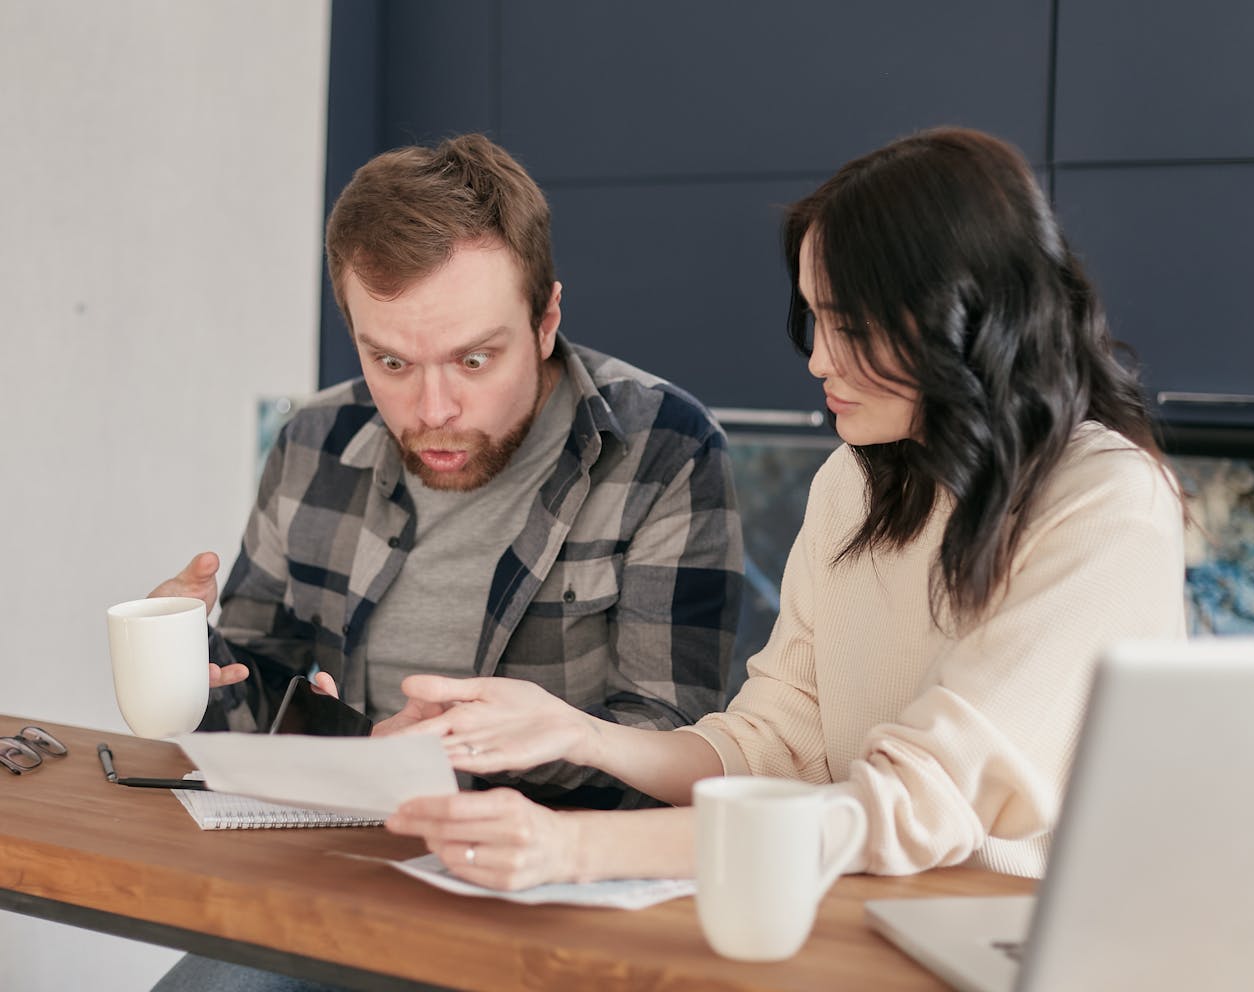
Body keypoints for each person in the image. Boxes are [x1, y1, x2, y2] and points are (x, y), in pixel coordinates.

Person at [374, 127, 1187, 888]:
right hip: (869, 924)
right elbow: (769, 744)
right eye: (814, 319)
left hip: (1026, 948)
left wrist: (574, 846)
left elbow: (912, 805)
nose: (820, 360)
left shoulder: (1106, 502)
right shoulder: (857, 481)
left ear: (962, 317)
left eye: (852, 326)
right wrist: (578, 734)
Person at [148, 134, 744, 813]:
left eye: (474, 360)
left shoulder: (665, 449)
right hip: (343, 851)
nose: (434, 411)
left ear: (546, 320)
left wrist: (430, 760)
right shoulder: (314, 442)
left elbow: (669, 751)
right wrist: (184, 656)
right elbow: (259, 697)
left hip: (562, 873)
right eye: (393, 364)